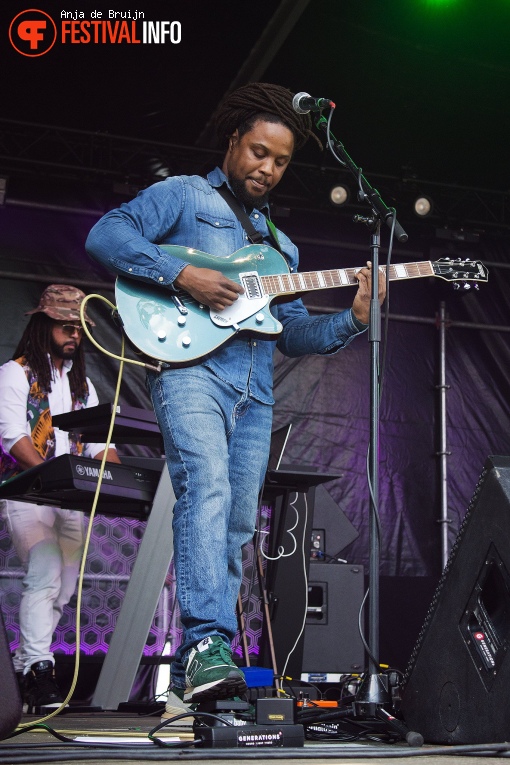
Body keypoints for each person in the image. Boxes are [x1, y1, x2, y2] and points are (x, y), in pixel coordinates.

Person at [85, 82, 385, 716]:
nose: (267, 169)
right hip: (191, 373)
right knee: (208, 489)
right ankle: (206, 646)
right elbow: (108, 235)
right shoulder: (185, 196)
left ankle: (207, 674)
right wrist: (183, 274)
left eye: (279, 162)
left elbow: (296, 332)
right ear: (232, 142)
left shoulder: (284, 250)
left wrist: (355, 317)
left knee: (239, 521)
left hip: (255, 391)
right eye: (258, 152)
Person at [0, 284, 121, 712]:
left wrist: (116, 462)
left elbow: (94, 447)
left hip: (70, 499)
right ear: (42, 324)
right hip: (29, 494)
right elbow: (12, 436)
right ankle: (39, 667)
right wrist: (50, 479)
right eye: (65, 325)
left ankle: (26, 668)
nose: (74, 334)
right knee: (46, 571)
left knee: (63, 589)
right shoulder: (15, 373)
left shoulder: (82, 385)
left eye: (79, 327)